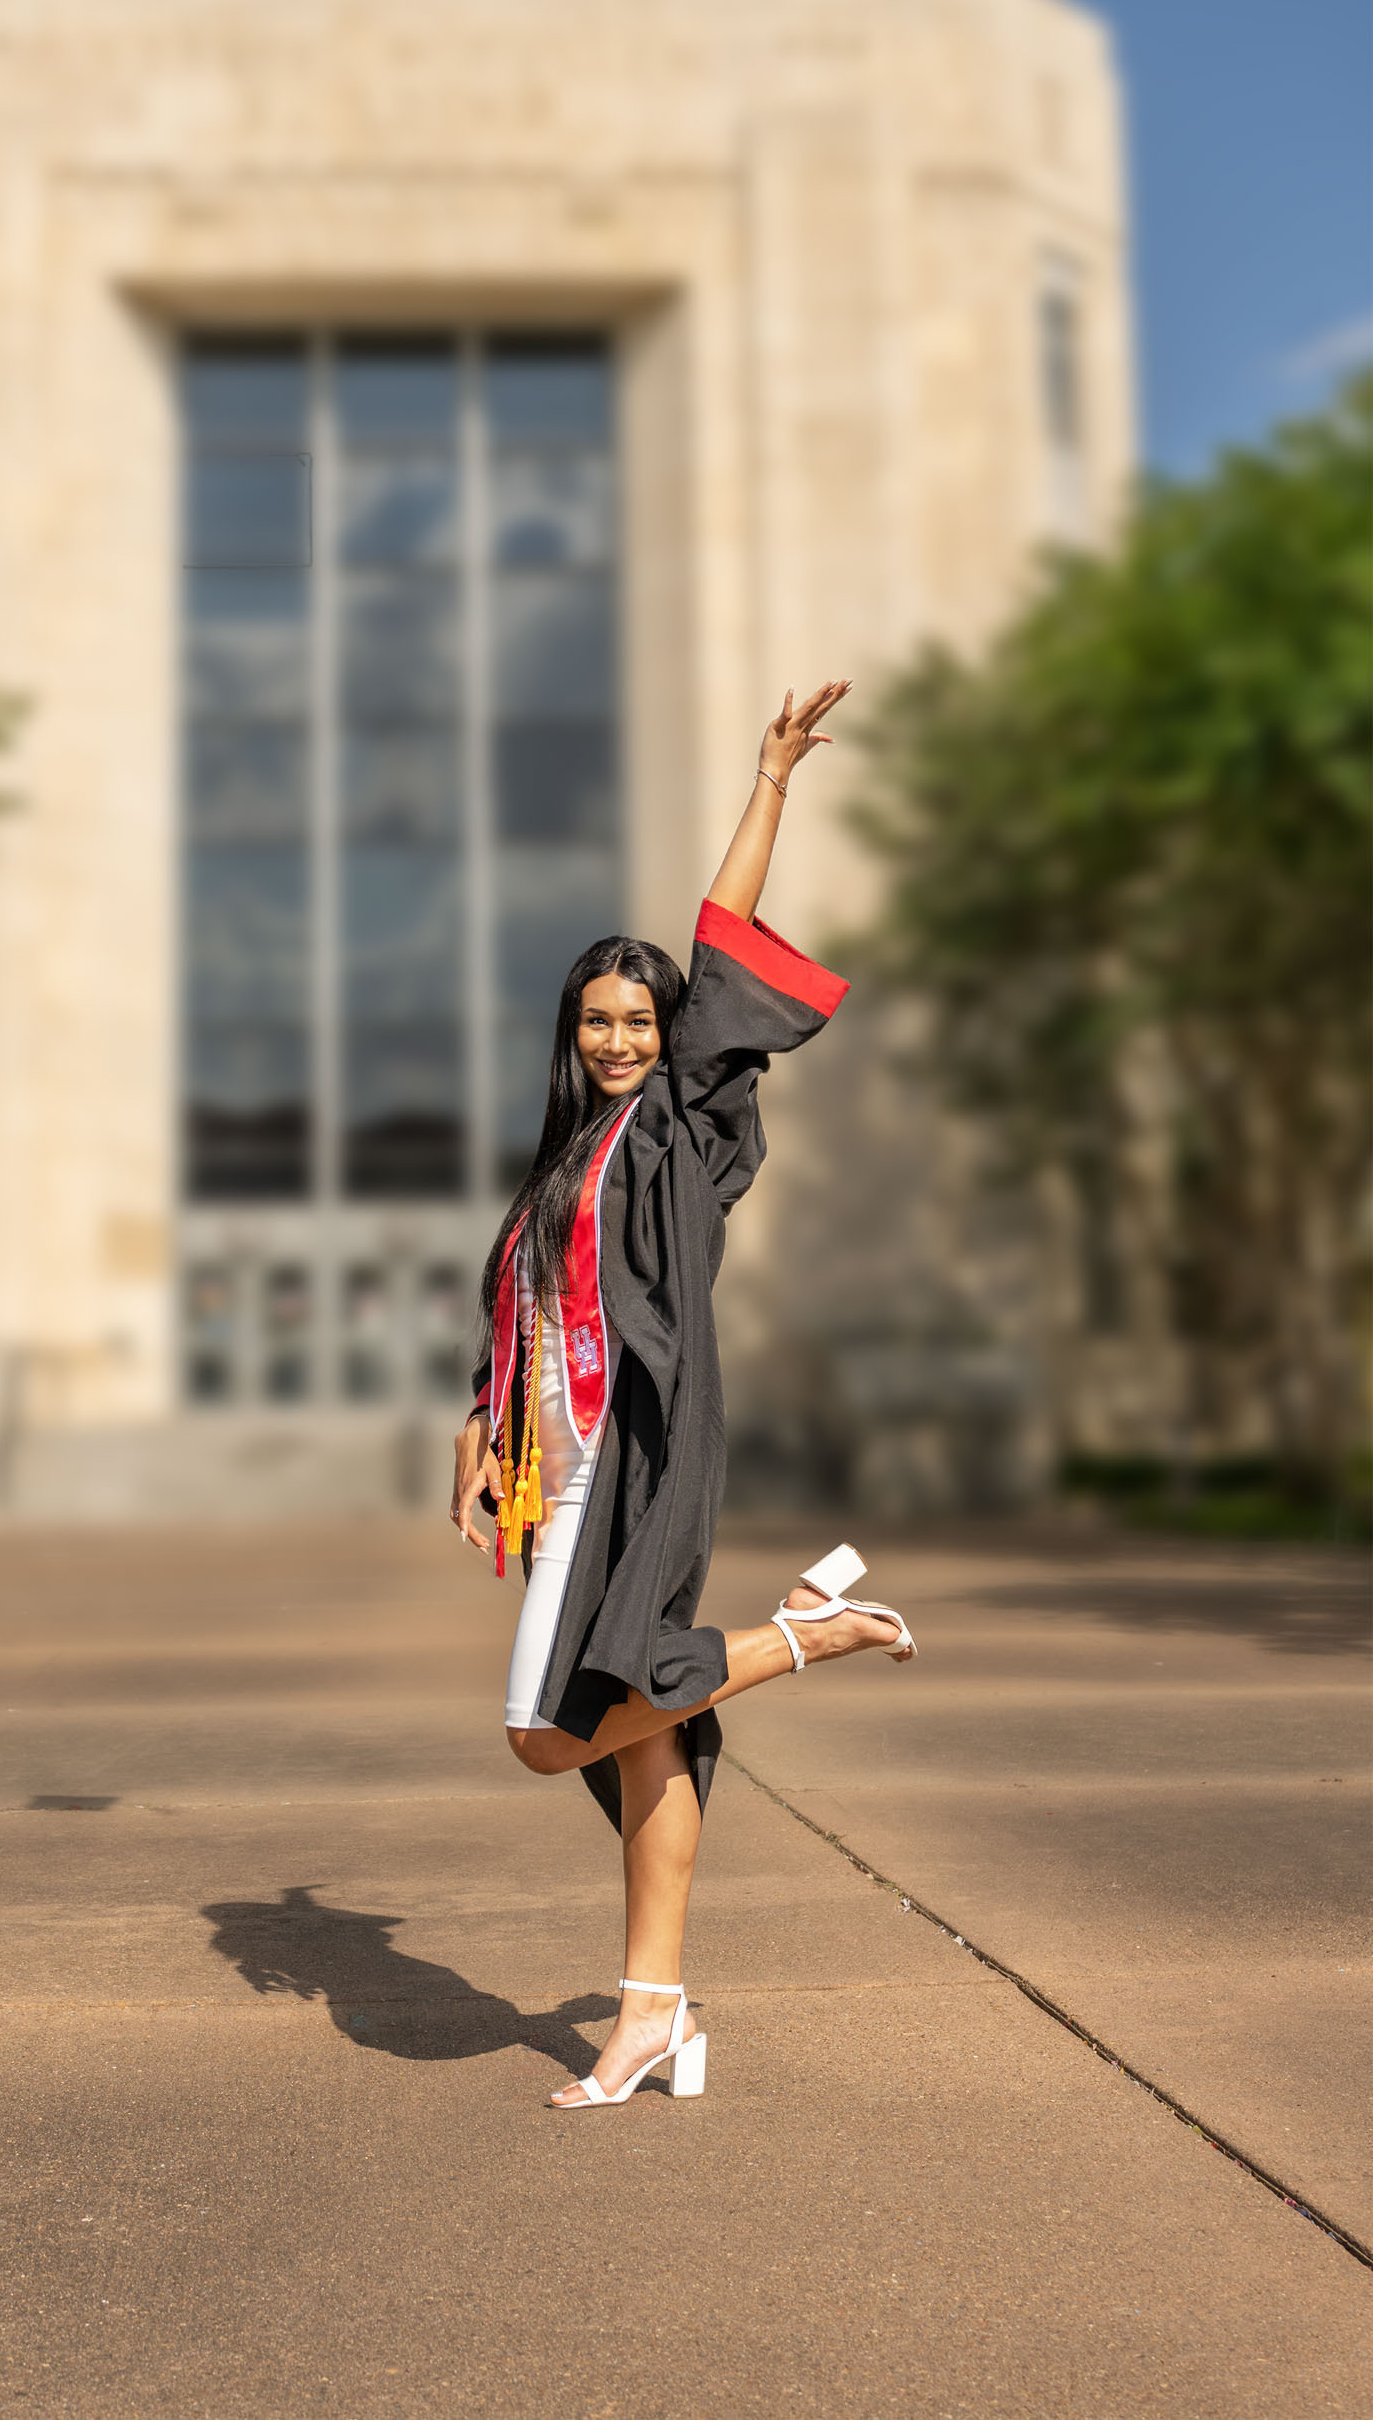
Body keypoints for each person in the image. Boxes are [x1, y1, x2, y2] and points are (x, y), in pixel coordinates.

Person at [450, 681, 917, 2111]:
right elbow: (525, 1311)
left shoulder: (674, 1128)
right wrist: (481, 1434)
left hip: (639, 1456)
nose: (618, 1039)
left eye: (637, 1018)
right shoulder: (568, 1156)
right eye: (595, 1021)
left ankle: (798, 1635)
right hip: (564, 1455)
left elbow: (721, 959)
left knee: (548, 1728)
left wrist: (768, 783)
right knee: (644, 1736)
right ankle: (651, 2013)